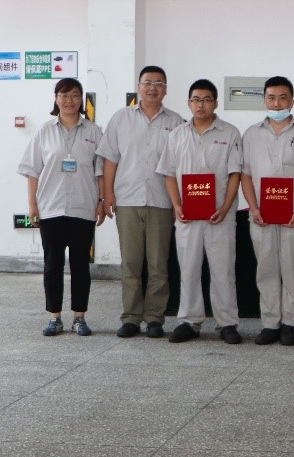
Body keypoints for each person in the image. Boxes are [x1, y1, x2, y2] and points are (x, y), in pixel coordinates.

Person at [97, 66, 184, 339]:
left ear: (165, 89)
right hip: (128, 199)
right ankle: (131, 318)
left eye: (158, 83)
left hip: (161, 201)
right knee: (131, 264)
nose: (152, 88)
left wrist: (178, 202)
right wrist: (107, 194)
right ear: (138, 87)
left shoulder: (176, 122)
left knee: (159, 264)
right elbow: (110, 159)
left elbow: (181, 165)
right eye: (147, 83)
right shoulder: (121, 118)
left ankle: (155, 318)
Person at [157, 79, 244, 344]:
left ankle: (227, 323)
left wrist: (225, 207)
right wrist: (176, 204)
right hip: (188, 215)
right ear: (188, 103)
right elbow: (168, 173)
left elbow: (235, 174)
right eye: (196, 99)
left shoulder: (230, 133)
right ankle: (189, 321)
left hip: (220, 215)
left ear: (215, 103)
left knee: (223, 270)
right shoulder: (177, 135)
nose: (201, 105)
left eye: (206, 100)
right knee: (189, 268)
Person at [18, 78, 106, 336]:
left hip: (83, 208)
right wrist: (32, 205)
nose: (69, 100)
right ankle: (54, 317)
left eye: (75, 95)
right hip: (51, 208)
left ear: (82, 100)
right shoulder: (44, 131)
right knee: (52, 266)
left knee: (80, 266)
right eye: (64, 95)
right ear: (56, 99)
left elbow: (100, 171)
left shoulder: (94, 132)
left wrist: (101, 201)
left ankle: (79, 317)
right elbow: (32, 171)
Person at [240, 76, 294, 346]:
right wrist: (253, 207)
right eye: (271, 98)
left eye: (283, 98)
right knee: (266, 268)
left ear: (292, 101)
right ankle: (270, 323)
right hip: (261, 214)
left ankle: (289, 324)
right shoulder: (251, 134)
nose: (277, 103)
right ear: (264, 100)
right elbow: (245, 175)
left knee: (291, 268)